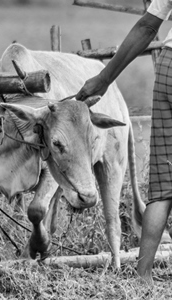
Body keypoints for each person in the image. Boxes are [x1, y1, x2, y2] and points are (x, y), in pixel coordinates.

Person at [76, 0, 172, 284]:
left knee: (164, 181)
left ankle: (143, 277)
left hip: (169, 66)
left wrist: (105, 78)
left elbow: (146, 25)